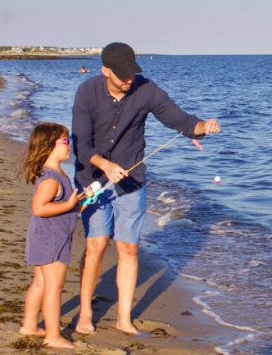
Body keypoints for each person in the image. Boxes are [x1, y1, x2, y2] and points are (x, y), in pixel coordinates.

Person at [72, 42, 220, 335]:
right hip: (92, 179)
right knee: (97, 245)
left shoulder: (146, 89)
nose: (129, 79)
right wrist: (104, 164)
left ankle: (124, 318)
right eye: (122, 75)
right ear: (105, 71)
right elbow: (81, 144)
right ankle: (85, 314)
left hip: (131, 180)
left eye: (132, 73)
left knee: (128, 248)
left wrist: (204, 126)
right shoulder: (87, 92)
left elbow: (179, 119)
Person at [19, 123, 85, 349]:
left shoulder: (56, 173)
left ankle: (29, 325)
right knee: (53, 287)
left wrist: (74, 207)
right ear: (49, 147)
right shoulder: (51, 179)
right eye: (65, 142)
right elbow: (39, 208)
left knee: (40, 283)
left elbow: (57, 205)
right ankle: (53, 336)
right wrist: (69, 203)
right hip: (52, 240)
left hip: (44, 237)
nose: (69, 146)